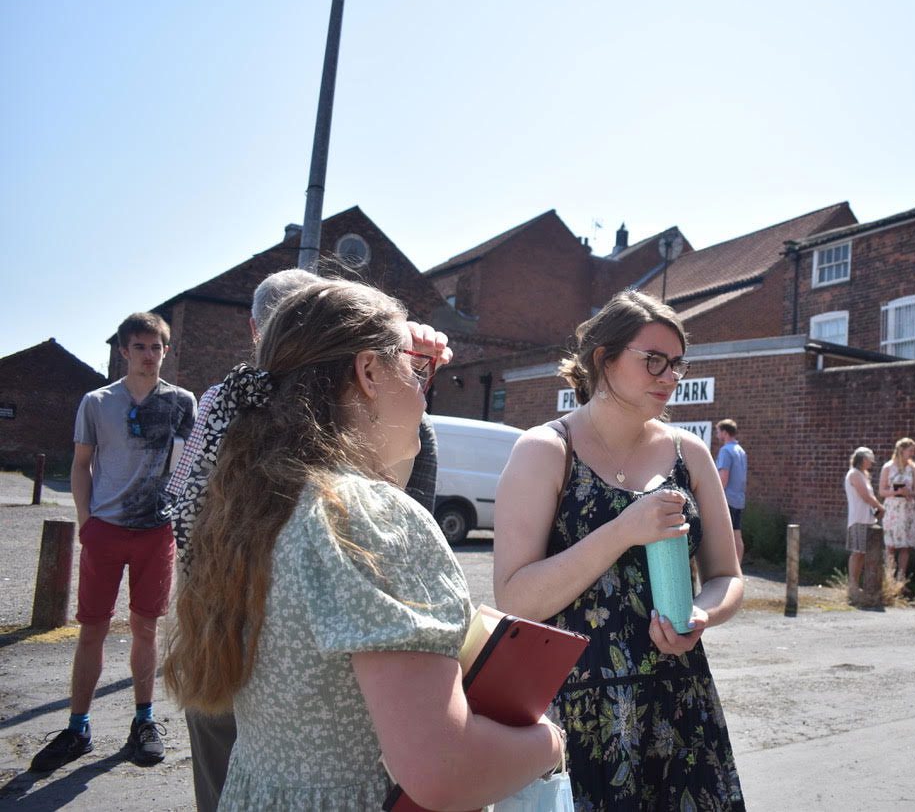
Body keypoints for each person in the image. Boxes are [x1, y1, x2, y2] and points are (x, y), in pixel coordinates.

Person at [163, 279, 563, 810]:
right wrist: (548, 743)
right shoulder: (370, 519)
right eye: (414, 369)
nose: (424, 391)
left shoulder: (256, 503)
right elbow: (443, 770)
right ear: (369, 371)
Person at [493, 289, 746, 811]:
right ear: (603, 358)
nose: (669, 376)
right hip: (578, 711)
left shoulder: (689, 453)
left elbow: (729, 577)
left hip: (679, 702)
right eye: (653, 359)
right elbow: (515, 597)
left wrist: (702, 613)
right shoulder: (546, 450)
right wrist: (622, 530)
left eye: (676, 363)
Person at [31, 313, 195, 772]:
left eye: (156, 348)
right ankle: (78, 726)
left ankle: (143, 721)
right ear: (124, 351)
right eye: (140, 347)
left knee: (145, 629)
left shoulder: (182, 402)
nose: (149, 355)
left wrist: (179, 519)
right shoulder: (97, 402)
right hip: (105, 528)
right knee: (93, 629)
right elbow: (81, 465)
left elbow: (189, 469)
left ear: (166, 351)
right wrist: (86, 522)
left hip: (155, 532)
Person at [845, 447, 885, 603]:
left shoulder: (863, 475)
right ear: (863, 459)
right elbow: (865, 496)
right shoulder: (854, 474)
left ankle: (858, 584)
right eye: (870, 459)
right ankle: (853, 584)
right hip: (858, 519)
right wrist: (880, 507)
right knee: (857, 552)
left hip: (867, 518)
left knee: (862, 553)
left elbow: (870, 496)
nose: (872, 462)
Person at [878, 437, 915, 584]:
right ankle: (889, 579)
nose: (912, 453)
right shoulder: (888, 467)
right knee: (890, 545)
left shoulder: (914, 468)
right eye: (910, 450)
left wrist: (908, 492)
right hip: (892, 508)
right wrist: (895, 492)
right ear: (902, 450)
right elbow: (881, 491)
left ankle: (901, 580)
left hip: (907, 508)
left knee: (905, 546)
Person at [715, 418, 748, 562]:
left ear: (725, 433)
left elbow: (723, 476)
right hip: (739, 499)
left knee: (722, 536)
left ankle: (725, 567)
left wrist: (716, 497)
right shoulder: (741, 451)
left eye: (718, 431)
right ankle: (737, 569)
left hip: (727, 499)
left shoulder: (725, 451)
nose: (717, 435)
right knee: (737, 535)